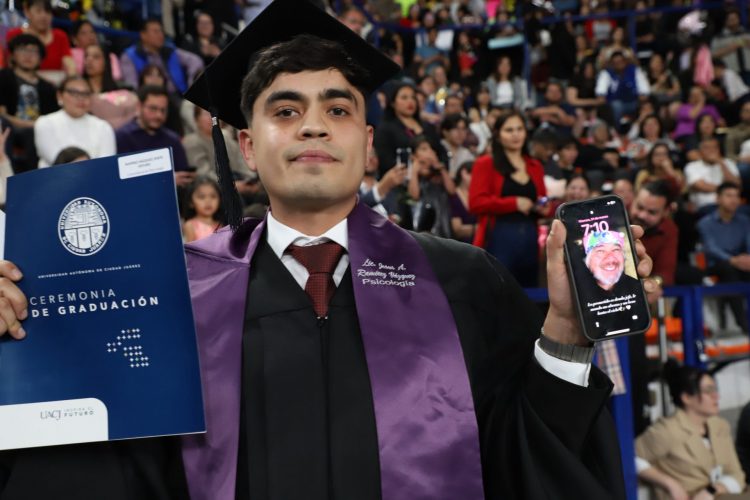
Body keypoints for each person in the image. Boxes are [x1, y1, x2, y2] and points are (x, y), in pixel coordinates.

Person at [0, 1, 658, 498]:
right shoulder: (172, 293)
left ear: (369, 145)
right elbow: (96, 464)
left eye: (338, 109)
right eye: (285, 110)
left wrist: (566, 333)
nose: (313, 124)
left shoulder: (464, 280)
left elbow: (523, 455)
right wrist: (18, 337)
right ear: (247, 145)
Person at [636, 359, 746, 499]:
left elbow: (737, 474)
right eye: (708, 391)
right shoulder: (668, 430)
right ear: (687, 398)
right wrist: (669, 483)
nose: (716, 396)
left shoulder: (720, 426)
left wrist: (713, 490)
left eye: (715, 389)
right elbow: (631, 458)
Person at [469, 110, 547, 287]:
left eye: (520, 129)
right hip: (498, 236)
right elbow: (475, 203)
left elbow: (542, 198)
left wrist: (543, 207)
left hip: (529, 237)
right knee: (498, 291)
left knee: (529, 293)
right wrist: (514, 203)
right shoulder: (485, 163)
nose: (515, 134)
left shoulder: (535, 165)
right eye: (509, 130)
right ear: (498, 135)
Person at [0, 33, 59, 172]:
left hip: (38, 129)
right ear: (13, 55)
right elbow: (2, 114)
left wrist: (36, 126)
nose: (28, 55)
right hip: (10, 127)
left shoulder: (48, 87)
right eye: (22, 50)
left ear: (40, 58)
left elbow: (53, 118)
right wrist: (30, 124)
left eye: (33, 51)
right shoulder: (3, 77)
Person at [697, 182, 750, 331]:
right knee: (728, 270)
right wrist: (732, 260)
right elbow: (711, 249)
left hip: (741, 262)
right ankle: (743, 323)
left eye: (736, 196)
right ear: (718, 198)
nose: (734, 200)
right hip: (717, 265)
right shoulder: (705, 223)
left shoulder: (744, 221)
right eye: (729, 195)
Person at [115, 85, 191, 189]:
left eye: (163, 110)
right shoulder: (123, 137)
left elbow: (184, 177)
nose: (159, 115)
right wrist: (167, 180)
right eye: (153, 109)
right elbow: (121, 178)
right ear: (139, 106)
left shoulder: (173, 140)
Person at [33, 76, 115, 167]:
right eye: (74, 93)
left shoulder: (103, 127)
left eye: (85, 94)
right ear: (59, 95)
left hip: (95, 175)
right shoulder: (45, 123)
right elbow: (58, 161)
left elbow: (106, 164)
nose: (81, 98)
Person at [119, 18, 203, 97]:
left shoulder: (170, 50)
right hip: (148, 97)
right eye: (156, 32)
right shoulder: (129, 56)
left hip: (177, 96)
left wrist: (191, 82)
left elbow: (196, 60)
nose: (161, 35)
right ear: (143, 35)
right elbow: (132, 86)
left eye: (161, 31)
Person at [5, 0, 76, 79]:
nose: (43, 16)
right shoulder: (15, 34)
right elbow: (10, 64)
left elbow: (69, 63)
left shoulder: (60, 36)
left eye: (48, 12)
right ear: (27, 12)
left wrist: (73, 78)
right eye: (38, 11)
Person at [404, 134, 455, 236]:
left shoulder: (439, 174)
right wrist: (414, 171)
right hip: (420, 231)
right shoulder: (409, 176)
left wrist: (441, 169)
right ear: (413, 155)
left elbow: (452, 190)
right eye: (424, 149)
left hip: (443, 227)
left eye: (431, 149)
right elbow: (414, 196)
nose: (429, 152)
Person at [630, 180, 678, 288]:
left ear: (666, 211)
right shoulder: (616, 214)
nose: (642, 215)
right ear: (634, 199)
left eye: (652, 212)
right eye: (639, 207)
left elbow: (665, 273)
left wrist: (654, 283)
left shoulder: (669, 229)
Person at [83, 44, 138, 130]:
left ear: (106, 61)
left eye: (96, 57)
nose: (89, 60)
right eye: (86, 56)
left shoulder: (120, 90)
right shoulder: (79, 90)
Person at [685, 136, 742, 215]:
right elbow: (702, 186)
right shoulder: (692, 166)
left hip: (732, 205)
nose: (711, 151)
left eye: (715, 148)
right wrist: (727, 189)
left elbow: (736, 185)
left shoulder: (728, 163)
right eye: (707, 148)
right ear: (700, 151)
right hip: (707, 206)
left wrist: (721, 163)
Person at [595, 51, 650, 125]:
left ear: (625, 61)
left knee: (647, 105)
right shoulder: (606, 74)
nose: (619, 64)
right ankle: (616, 128)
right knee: (617, 106)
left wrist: (639, 97)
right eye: (616, 62)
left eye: (621, 61)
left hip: (634, 102)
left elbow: (645, 92)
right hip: (614, 103)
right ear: (612, 64)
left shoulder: (635, 71)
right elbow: (601, 95)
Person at [183, 176, 223, 242]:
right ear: (191, 202)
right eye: (202, 197)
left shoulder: (221, 225)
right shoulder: (190, 225)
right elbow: (189, 248)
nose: (208, 201)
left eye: (213, 196)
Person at [449, 160, 476, 243]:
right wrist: (478, 228)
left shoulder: (478, 195)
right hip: (462, 245)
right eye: (474, 175)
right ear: (464, 174)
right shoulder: (454, 196)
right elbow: (457, 230)